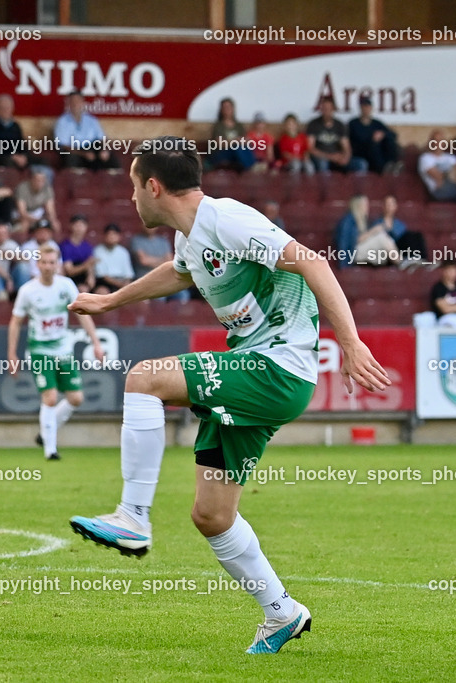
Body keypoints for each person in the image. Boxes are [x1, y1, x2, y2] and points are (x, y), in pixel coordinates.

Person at [68, 136, 390, 655]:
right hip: (259, 376)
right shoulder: (192, 237)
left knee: (144, 377)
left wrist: (350, 343)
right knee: (212, 515)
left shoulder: (227, 218)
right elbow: (177, 273)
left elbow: (312, 261)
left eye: (133, 187)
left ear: (154, 186)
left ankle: (132, 516)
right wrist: (111, 301)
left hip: (274, 368)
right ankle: (282, 612)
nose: (131, 199)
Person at [7, 245, 104, 460]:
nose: (48, 267)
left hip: (63, 350)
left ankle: (45, 431)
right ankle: (50, 450)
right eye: (44, 262)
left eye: (52, 262)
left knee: (76, 398)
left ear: (57, 264)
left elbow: (83, 314)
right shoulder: (28, 291)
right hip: (39, 350)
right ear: (38, 264)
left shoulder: (66, 285)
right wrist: (12, 354)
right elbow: (15, 322)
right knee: (50, 397)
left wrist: (96, 342)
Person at [54, 91, 117, 170]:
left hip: (91, 149)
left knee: (108, 156)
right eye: (73, 101)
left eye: (78, 101)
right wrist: (83, 154)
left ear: (83, 103)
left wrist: (104, 150)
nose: (75, 104)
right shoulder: (62, 122)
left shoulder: (91, 120)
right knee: (71, 157)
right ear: (68, 104)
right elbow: (63, 145)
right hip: (75, 151)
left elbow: (102, 139)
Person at [333, 194, 399, 269]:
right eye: (365, 205)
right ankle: (401, 263)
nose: (367, 207)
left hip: (361, 252)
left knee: (383, 248)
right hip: (352, 253)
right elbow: (350, 242)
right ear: (359, 206)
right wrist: (374, 230)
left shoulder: (362, 220)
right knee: (381, 237)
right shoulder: (348, 221)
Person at [306, 96, 366, 174]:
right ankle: (324, 186)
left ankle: (355, 186)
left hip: (338, 157)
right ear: (321, 109)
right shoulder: (313, 124)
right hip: (321, 157)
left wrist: (346, 158)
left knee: (361, 164)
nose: (327, 111)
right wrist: (330, 156)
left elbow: (346, 147)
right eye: (324, 108)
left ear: (333, 109)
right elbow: (310, 148)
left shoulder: (340, 125)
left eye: (329, 108)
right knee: (322, 164)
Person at [0, 93, 37, 170]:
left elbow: (21, 144)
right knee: (8, 162)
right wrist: (13, 156)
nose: (6, 111)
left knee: (41, 161)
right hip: (1, 157)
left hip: (18, 156)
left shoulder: (15, 126)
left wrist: (23, 156)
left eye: (8, 108)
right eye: (2, 108)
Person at [347, 96, 401, 174]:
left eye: (368, 106)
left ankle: (392, 164)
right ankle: (383, 169)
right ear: (361, 108)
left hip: (376, 154)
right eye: (364, 106)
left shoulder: (377, 123)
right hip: (360, 153)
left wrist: (383, 134)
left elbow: (393, 134)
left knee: (389, 139)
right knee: (373, 145)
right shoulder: (353, 123)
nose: (366, 109)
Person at [372, 195, 426, 266]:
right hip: (388, 250)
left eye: (392, 204)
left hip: (400, 248)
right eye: (387, 204)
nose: (389, 207)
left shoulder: (400, 224)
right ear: (383, 206)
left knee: (417, 236)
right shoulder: (377, 223)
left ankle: (422, 260)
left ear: (395, 206)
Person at [206, 98, 255, 172]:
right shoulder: (218, 126)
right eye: (225, 107)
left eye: (229, 107)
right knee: (237, 147)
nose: (227, 109)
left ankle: (251, 166)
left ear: (233, 109)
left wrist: (241, 141)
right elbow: (220, 144)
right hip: (221, 154)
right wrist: (235, 141)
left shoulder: (239, 125)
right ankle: (251, 168)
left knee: (245, 147)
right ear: (221, 110)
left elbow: (247, 140)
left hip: (236, 154)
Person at [15, 167, 60, 233]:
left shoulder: (47, 189)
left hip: (37, 211)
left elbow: (50, 210)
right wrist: (37, 220)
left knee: (55, 224)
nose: (40, 183)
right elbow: (22, 212)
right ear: (32, 179)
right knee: (25, 224)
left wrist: (52, 220)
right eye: (37, 180)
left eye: (42, 180)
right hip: (21, 213)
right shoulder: (22, 188)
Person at [93, 223, 134, 293]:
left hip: (121, 280)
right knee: (102, 291)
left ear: (119, 237)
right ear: (104, 236)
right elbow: (103, 275)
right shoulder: (98, 251)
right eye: (109, 234)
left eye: (114, 234)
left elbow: (128, 274)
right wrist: (121, 285)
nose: (111, 237)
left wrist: (126, 284)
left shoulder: (123, 252)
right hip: (104, 283)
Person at [59, 215, 96, 292]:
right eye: (77, 225)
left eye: (82, 225)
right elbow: (70, 271)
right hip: (69, 279)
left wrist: (90, 277)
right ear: (71, 226)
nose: (79, 228)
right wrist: (86, 265)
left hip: (82, 278)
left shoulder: (87, 246)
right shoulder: (65, 246)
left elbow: (90, 264)